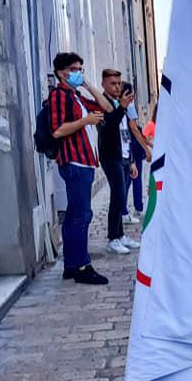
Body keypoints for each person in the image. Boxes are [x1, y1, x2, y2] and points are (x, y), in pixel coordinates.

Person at [48, 52, 113, 285]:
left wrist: (86, 84)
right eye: (74, 69)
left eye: (80, 69)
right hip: (73, 162)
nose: (78, 73)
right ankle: (82, 265)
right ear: (61, 72)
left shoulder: (76, 96)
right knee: (81, 216)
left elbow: (107, 107)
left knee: (76, 215)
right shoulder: (58, 96)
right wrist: (86, 121)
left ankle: (71, 265)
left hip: (85, 161)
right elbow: (57, 130)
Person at [97, 70, 141, 256]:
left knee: (121, 197)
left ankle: (120, 235)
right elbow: (107, 128)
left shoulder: (119, 103)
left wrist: (131, 160)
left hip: (123, 155)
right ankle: (112, 238)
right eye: (112, 83)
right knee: (117, 195)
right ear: (104, 85)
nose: (117, 87)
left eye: (118, 83)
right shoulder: (103, 104)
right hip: (110, 157)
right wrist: (122, 107)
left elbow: (126, 134)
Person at [125, 92, 153, 222]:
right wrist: (147, 148)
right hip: (134, 148)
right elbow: (136, 129)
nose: (133, 96)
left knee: (128, 180)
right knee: (135, 178)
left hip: (128, 147)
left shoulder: (122, 106)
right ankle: (138, 207)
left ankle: (125, 208)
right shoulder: (129, 107)